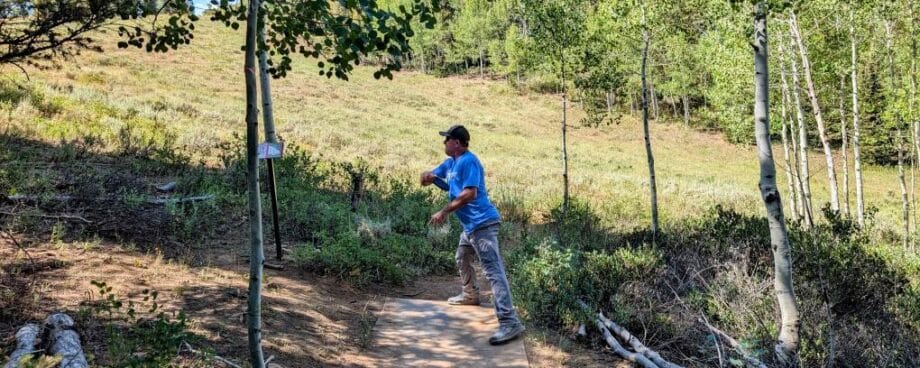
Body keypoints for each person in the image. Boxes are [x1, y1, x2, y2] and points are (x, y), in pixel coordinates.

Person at [420, 124, 525, 345]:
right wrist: (427, 177)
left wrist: (444, 211)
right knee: (462, 257)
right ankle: (470, 295)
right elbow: (437, 181)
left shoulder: (469, 161)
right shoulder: (451, 163)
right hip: (471, 227)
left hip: (483, 224)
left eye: (446, 139)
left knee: (493, 272)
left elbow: (469, 193)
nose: (443, 143)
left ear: (456, 142)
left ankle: (510, 321)